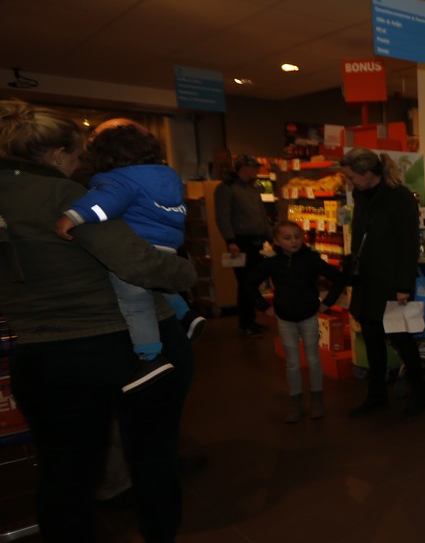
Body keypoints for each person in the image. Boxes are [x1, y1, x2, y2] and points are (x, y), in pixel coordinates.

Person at [0, 99, 196, 543]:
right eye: (77, 153)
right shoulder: (67, 196)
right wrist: (186, 275)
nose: (81, 162)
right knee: (150, 455)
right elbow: (137, 263)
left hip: (42, 354)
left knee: (63, 472)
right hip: (121, 344)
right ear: (58, 153)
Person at [53, 123, 201, 391]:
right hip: (168, 245)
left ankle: (150, 357)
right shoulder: (167, 175)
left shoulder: (118, 179)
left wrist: (73, 217)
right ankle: (187, 315)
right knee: (157, 285)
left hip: (138, 246)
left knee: (135, 304)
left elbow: (103, 204)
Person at [340, 148, 425, 418]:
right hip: (366, 281)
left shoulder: (399, 197)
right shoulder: (361, 195)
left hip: (390, 282)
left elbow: (408, 244)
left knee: (402, 340)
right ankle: (376, 395)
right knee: (372, 340)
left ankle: (420, 393)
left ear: (368, 173)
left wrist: (403, 286)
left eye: (352, 177)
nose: (349, 183)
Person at [245, 220, 347, 422]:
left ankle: (317, 401)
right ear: (276, 241)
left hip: (309, 315)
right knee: (292, 363)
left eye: (297, 237)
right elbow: (249, 283)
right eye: (287, 237)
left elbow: (338, 278)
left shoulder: (311, 259)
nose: (293, 241)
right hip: (285, 318)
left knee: (313, 359)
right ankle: (296, 403)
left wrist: (327, 303)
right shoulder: (272, 262)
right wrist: (264, 307)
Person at [214, 153, 271, 336]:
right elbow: (223, 217)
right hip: (240, 242)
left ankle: (250, 321)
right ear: (244, 168)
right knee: (246, 282)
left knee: (252, 282)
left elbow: (262, 215)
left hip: (257, 241)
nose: (257, 170)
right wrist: (230, 240)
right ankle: (246, 323)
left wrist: (270, 236)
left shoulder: (253, 188)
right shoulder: (226, 188)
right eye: (254, 167)